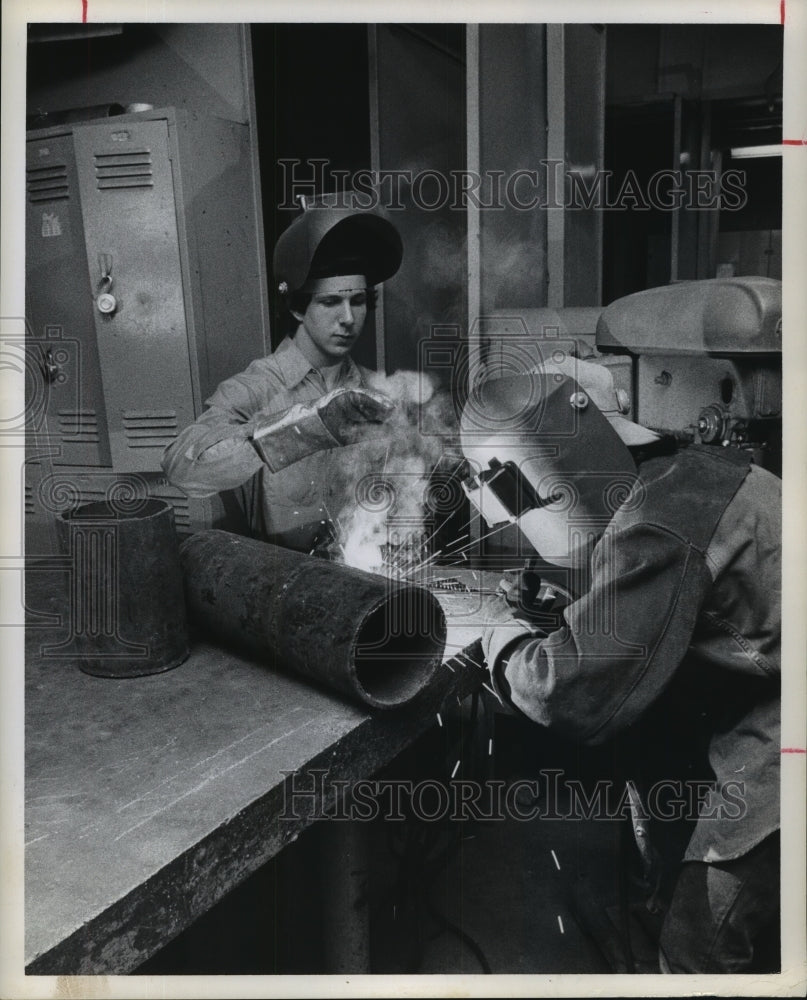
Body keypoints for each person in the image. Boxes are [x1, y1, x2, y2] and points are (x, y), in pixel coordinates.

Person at [460, 354, 781, 974]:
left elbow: (571, 692)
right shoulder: (684, 477)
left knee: (700, 945)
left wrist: (498, 639)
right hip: (771, 685)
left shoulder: (661, 519)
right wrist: (569, 618)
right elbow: (682, 613)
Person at [162, 204, 403, 554]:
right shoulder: (256, 387)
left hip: (361, 578)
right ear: (297, 307)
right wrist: (301, 429)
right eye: (331, 302)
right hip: (283, 585)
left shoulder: (374, 390)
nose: (349, 318)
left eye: (359, 300)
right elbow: (180, 468)